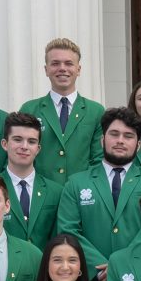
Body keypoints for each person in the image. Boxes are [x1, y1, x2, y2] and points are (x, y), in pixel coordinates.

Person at [56, 106, 141, 281]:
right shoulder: (76, 183)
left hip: (140, 278)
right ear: (102, 140)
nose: (120, 141)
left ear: (138, 145)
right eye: (114, 134)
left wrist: (122, 265)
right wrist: (98, 268)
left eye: (128, 136)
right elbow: (68, 230)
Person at [18, 37, 105, 184]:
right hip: (40, 194)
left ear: (78, 70)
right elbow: (20, 155)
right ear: (46, 70)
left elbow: (99, 159)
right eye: (55, 63)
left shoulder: (95, 111)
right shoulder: (30, 109)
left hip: (81, 194)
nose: (62, 68)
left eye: (69, 63)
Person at [0, 112, 63, 248]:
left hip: (43, 266)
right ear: (5, 144)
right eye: (17, 139)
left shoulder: (56, 191)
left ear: (38, 149)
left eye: (31, 141)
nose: (24, 146)